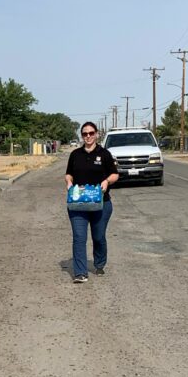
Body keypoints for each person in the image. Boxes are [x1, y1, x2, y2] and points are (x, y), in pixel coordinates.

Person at [65, 121, 119, 283]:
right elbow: (69, 174)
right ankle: (80, 273)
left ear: (96, 134)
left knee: (98, 237)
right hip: (78, 204)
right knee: (79, 237)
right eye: (84, 134)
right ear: (81, 135)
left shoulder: (105, 154)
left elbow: (115, 174)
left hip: (101, 204)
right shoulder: (75, 155)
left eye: (91, 133)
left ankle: (99, 263)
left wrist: (107, 181)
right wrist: (69, 182)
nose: (88, 136)